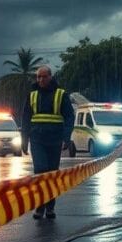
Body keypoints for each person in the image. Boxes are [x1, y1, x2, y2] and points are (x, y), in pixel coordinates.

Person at [20, 65, 75, 219]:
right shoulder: (32, 95)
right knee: (40, 170)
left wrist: (66, 137)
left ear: (50, 77)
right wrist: (24, 141)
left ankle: (50, 207)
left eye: (44, 77)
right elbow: (25, 119)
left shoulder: (61, 94)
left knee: (51, 173)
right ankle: (39, 207)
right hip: (37, 140)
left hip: (55, 140)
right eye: (38, 77)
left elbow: (70, 117)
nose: (41, 80)